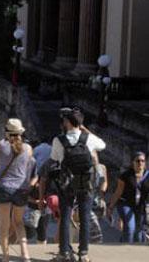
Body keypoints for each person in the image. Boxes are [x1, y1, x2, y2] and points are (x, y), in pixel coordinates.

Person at [42, 107, 106, 262]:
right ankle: (83, 253)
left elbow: (55, 158)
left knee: (65, 216)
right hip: (85, 181)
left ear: (67, 122)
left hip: (67, 181)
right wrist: (85, 130)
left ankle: (64, 252)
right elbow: (102, 145)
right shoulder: (88, 139)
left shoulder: (59, 140)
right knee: (84, 216)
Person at [0, 118, 36, 262]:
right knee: (19, 222)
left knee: (4, 225)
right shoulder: (28, 148)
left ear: (7, 133)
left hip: (4, 188)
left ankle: (5, 257)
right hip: (21, 189)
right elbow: (29, 167)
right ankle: (25, 254)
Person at [108, 151, 148, 243]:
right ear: (133, 162)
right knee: (130, 227)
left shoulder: (147, 176)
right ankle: (126, 249)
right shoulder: (126, 175)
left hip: (140, 206)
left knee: (139, 232)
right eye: (138, 161)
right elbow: (118, 192)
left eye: (142, 161)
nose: (140, 163)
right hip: (125, 203)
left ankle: (136, 252)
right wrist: (110, 207)